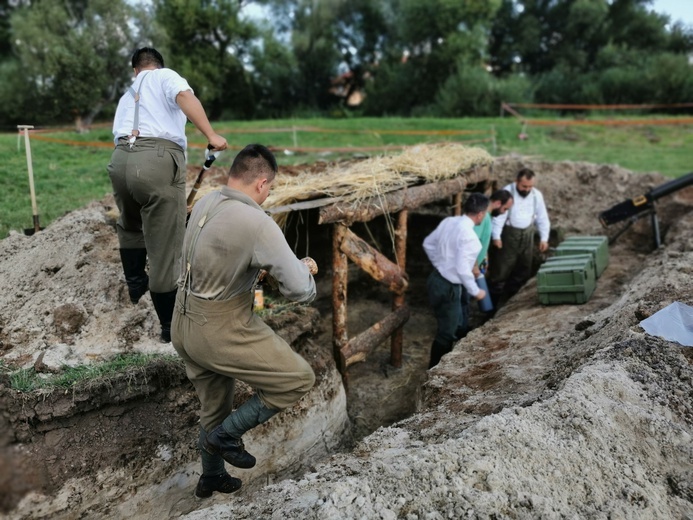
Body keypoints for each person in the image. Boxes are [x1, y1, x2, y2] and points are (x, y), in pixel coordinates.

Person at [171, 144, 317, 498]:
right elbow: (298, 290)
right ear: (263, 184)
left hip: (182, 322)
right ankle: (228, 435)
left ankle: (211, 477)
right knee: (297, 379)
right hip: (220, 328)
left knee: (214, 406)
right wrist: (306, 270)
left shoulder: (205, 201)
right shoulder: (257, 223)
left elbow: (219, 260)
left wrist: (258, 274)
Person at [107, 47, 228, 343]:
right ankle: (168, 328)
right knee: (166, 247)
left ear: (135, 70)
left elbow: (118, 133)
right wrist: (212, 136)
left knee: (131, 223)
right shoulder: (165, 76)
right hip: (157, 161)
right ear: (156, 65)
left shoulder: (128, 94)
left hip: (120, 159)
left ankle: (136, 287)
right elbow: (185, 97)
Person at [423, 192, 489, 368]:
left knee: (450, 319)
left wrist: (440, 264)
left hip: (435, 279)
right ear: (480, 214)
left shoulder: (448, 222)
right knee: (446, 333)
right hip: (449, 286)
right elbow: (462, 270)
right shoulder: (471, 239)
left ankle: (459, 342)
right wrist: (477, 292)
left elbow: (428, 243)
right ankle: (434, 371)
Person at [487, 168, 550, 308]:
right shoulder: (507, 193)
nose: (527, 189)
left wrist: (544, 238)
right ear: (517, 182)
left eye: (530, 186)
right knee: (500, 271)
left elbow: (542, 217)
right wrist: (496, 237)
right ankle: (491, 308)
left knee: (523, 270)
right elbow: (498, 216)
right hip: (508, 236)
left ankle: (512, 306)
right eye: (524, 186)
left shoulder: (536, 195)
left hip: (527, 236)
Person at [473, 189, 514, 275]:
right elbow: (472, 242)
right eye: (505, 209)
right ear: (498, 203)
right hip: (472, 269)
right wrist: (475, 266)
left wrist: (484, 263)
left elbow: (483, 243)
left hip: (478, 268)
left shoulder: (489, 217)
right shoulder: (483, 218)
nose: (504, 213)